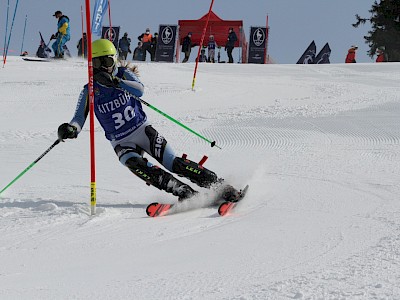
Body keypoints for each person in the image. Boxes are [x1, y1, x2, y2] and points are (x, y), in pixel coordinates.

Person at [57, 39, 240, 203]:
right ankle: (185, 192)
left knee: (173, 163)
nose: (102, 67)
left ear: (114, 59)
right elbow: (78, 119)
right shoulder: (89, 89)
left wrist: (116, 81)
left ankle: (222, 187)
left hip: (142, 131)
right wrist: (71, 129)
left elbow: (140, 90)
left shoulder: (123, 73)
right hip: (120, 141)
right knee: (135, 164)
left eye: (106, 61)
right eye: (97, 63)